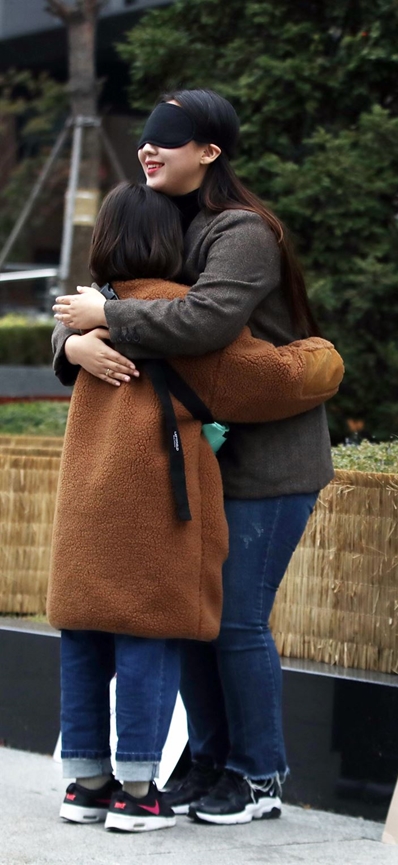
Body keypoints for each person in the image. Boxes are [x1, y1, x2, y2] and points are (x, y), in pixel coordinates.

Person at [52, 89, 336, 825]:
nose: (149, 148)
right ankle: (209, 758)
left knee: (237, 620)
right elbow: (98, 297)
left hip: (267, 461)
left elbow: (203, 322)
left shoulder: (241, 230)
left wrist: (105, 318)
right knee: (193, 619)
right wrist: (72, 343)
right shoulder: (165, 220)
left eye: (169, 139)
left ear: (209, 151)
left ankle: (260, 771)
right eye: (147, 138)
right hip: (193, 464)